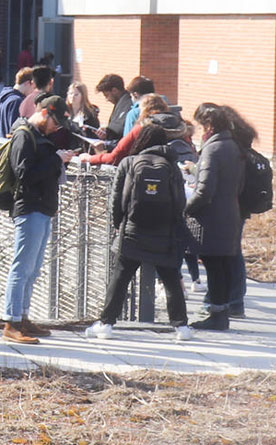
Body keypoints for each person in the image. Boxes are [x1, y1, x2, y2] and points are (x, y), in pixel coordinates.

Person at [84, 122, 195, 340]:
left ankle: (106, 324)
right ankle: (181, 327)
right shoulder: (171, 165)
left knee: (120, 277)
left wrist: (119, 224)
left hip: (133, 230)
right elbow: (180, 201)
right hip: (164, 231)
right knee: (171, 277)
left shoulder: (129, 163)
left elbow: (116, 200)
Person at [0, 93, 75, 344]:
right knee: (21, 268)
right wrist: (56, 159)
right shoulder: (24, 134)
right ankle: (11, 322)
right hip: (29, 207)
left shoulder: (38, 135)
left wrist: (57, 159)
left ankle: (22, 316)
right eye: (55, 122)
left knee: (32, 270)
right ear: (44, 113)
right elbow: (24, 174)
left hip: (41, 208)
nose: (57, 128)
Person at [186, 102, 254, 331]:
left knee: (214, 266)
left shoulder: (213, 149)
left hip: (213, 217)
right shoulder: (234, 145)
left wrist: (186, 208)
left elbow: (205, 190)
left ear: (209, 125)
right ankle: (222, 312)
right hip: (230, 213)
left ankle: (216, 314)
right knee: (223, 265)